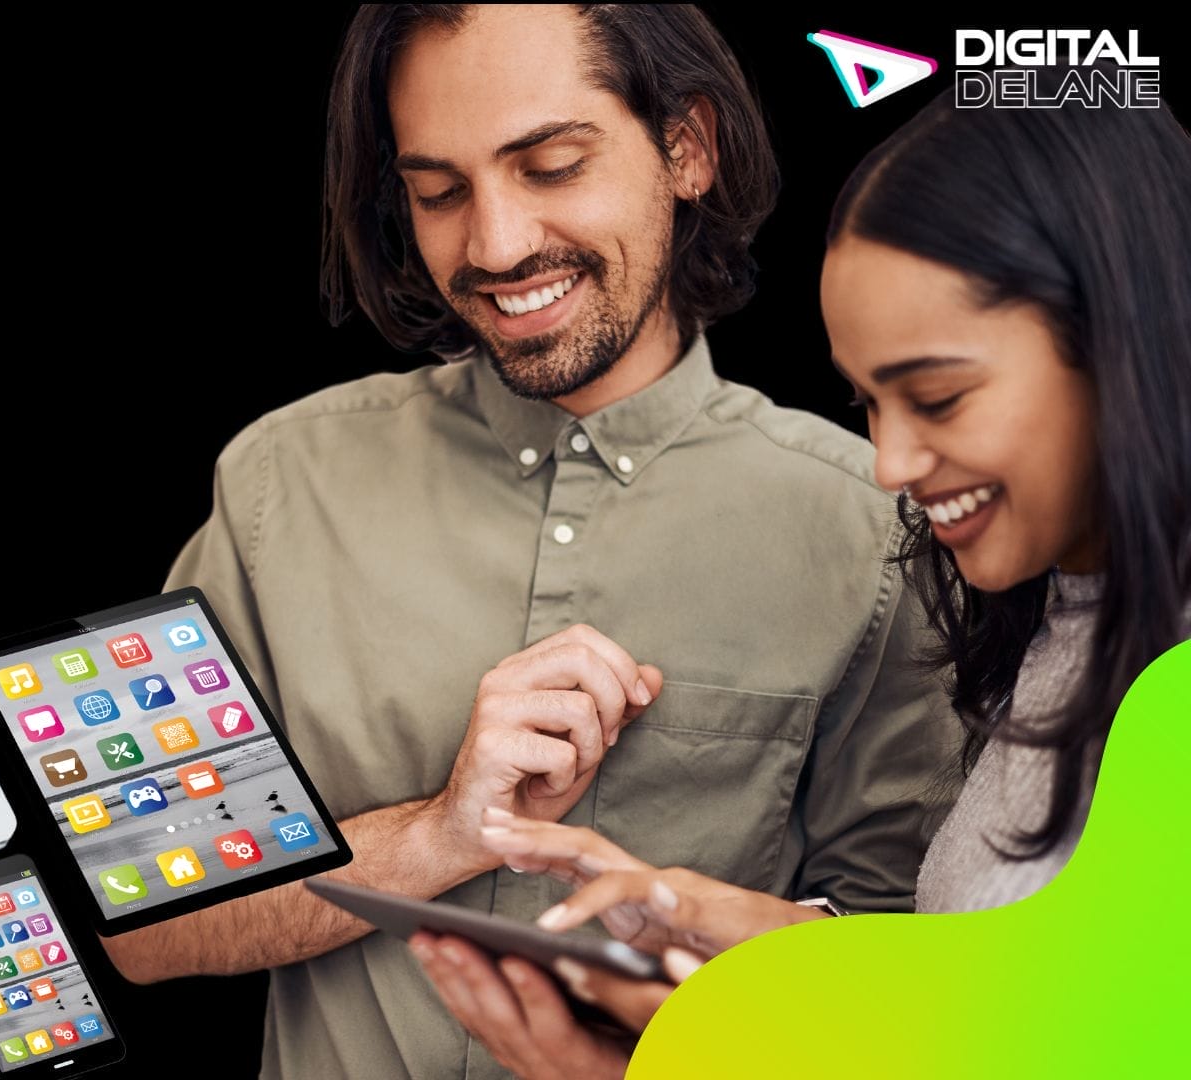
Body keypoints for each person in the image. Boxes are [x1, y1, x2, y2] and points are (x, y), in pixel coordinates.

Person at [102, 6, 961, 1078]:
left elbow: (906, 966)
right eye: (439, 192)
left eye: (552, 167)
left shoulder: (874, 524)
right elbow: (138, 921)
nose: (497, 246)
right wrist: (435, 835)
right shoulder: (279, 480)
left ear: (687, 148)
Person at [409, 87, 1191, 1074]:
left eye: (939, 396)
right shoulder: (1061, 624)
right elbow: (1004, 1003)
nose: (892, 465)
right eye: (868, 403)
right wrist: (748, 932)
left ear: (1125, 341)